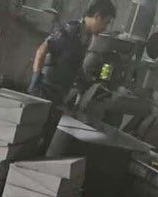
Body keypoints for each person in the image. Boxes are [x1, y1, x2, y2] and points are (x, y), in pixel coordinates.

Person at [29, 0, 117, 150]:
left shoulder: (87, 37)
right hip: (44, 90)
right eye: (106, 22)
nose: (105, 28)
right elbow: (41, 50)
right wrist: (36, 79)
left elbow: (76, 63)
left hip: (58, 95)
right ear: (97, 17)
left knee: (46, 139)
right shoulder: (69, 30)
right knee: (31, 135)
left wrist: (84, 84)